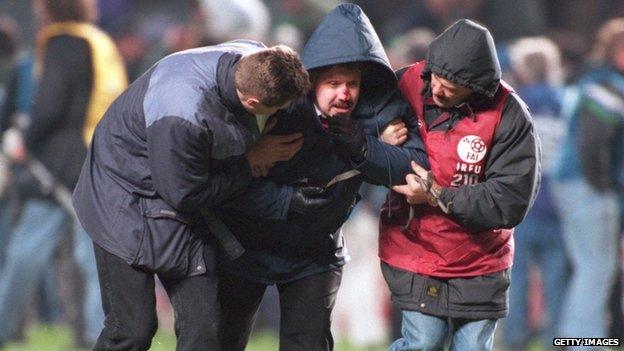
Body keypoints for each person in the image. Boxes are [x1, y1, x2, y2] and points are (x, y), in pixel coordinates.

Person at [72, 34, 310, 349]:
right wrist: (250, 163)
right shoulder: (183, 113)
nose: (281, 116)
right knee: (132, 330)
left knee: (204, 333)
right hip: (120, 192)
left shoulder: (254, 58)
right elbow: (183, 194)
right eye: (276, 110)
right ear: (252, 103)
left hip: (179, 192)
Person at [214, 4, 428, 350]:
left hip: (316, 251)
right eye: (333, 83)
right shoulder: (276, 107)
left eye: (352, 83)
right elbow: (230, 180)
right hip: (249, 244)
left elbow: (414, 166)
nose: (344, 93)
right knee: (222, 341)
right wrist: (288, 200)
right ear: (311, 81)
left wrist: (364, 149)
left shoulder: (379, 112)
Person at [380, 19, 540, 350]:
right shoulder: (406, 82)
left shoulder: (510, 115)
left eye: (450, 87)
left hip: (480, 258)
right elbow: (361, 134)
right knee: (423, 345)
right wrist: (380, 138)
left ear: (477, 87)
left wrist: (436, 195)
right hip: (417, 250)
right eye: (435, 78)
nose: (437, 90)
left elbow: (510, 199)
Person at [0, 0, 127, 347]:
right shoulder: (99, 42)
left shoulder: (63, 42)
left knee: (25, 253)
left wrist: (24, 137)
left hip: (57, 168)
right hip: (99, 164)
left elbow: (51, 105)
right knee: (93, 260)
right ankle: (94, 333)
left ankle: (3, 326)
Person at [552, 17, 624, 340]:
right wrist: (603, 184)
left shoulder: (595, 80)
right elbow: (593, 142)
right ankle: (586, 342)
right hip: (588, 185)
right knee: (598, 269)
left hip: (575, 182)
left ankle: (576, 338)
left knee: (588, 268)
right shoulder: (607, 85)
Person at [502, 36, 568, 350]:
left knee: (516, 282)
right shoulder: (565, 101)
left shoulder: (513, 103)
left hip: (521, 205)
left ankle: (514, 340)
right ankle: (557, 340)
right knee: (556, 282)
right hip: (559, 205)